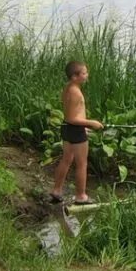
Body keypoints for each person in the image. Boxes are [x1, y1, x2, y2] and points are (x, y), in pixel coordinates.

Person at [49, 61, 104, 205]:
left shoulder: (68, 88)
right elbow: (72, 118)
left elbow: (71, 116)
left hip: (67, 128)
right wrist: (91, 123)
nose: (87, 75)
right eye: (84, 73)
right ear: (74, 76)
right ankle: (81, 196)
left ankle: (56, 190)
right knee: (82, 164)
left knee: (66, 160)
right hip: (74, 129)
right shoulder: (75, 92)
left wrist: (83, 124)